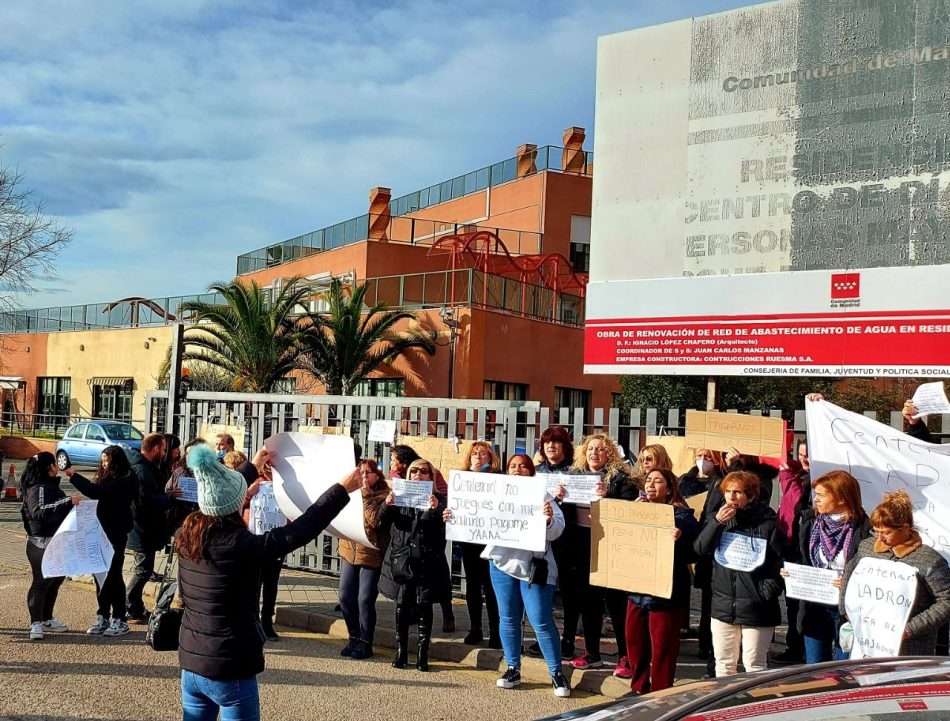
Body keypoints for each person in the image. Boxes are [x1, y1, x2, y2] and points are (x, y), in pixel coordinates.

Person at [177, 443, 360, 720]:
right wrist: (341, 489)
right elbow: (302, 529)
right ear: (237, 504)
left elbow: (221, 491)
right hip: (230, 668)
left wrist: (253, 464)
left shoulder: (187, 535)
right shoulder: (242, 545)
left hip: (191, 665)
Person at [476, 453, 571, 698]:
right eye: (512, 466)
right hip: (501, 564)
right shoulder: (495, 494)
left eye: (523, 466)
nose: (517, 469)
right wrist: (453, 517)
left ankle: (557, 673)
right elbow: (475, 517)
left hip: (534, 568)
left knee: (540, 620)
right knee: (508, 618)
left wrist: (549, 519)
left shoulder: (543, 495)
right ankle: (512, 668)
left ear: (531, 471)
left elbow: (556, 531)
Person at [694, 470, 784, 677]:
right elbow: (700, 549)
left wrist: (764, 592)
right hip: (723, 606)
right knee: (724, 663)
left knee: (754, 664)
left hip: (756, 608)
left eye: (738, 492)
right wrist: (717, 523)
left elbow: (778, 564)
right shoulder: (717, 519)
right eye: (728, 492)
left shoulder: (767, 524)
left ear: (751, 496)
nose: (731, 497)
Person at [841, 490, 950, 656]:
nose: (879, 538)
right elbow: (848, 575)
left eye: (885, 532)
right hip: (867, 644)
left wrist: (909, 630)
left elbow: (946, 602)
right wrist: (846, 611)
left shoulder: (930, 560)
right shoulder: (866, 548)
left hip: (909, 650)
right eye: (876, 531)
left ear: (905, 528)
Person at [569, 433, 639, 676]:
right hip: (582, 546)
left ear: (609, 453)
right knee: (588, 602)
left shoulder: (621, 480)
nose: (594, 453)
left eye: (600, 449)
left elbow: (629, 512)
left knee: (616, 604)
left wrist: (607, 499)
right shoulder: (574, 477)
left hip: (611, 547)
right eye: (590, 449)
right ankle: (592, 654)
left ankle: (625, 656)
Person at [626, 468, 699, 695]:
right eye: (648, 480)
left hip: (666, 594)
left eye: (658, 481)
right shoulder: (636, 509)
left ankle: (660, 694)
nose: (651, 485)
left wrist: (680, 539)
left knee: (663, 650)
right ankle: (638, 688)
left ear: (669, 489)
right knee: (635, 645)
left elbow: (693, 553)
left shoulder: (683, 517)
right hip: (637, 589)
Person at [787, 470, 869, 663]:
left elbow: (870, 569)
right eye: (816, 494)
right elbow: (801, 557)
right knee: (814, 668)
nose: (816, 499)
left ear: (841, 498)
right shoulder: (810, 521)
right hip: (815, 604)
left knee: (846, 666)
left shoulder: (865, 528)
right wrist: (792, 572)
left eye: (822, 495)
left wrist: (850, 581)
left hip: (846, 608)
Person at [379, 458, 451, 671]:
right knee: (402, 605)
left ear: (431, 477)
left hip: (428, 562)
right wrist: (387, 504)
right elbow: (383, 519)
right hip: (403, 560)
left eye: (423, 472)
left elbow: (445, 525)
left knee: (424, 606)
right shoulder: (400, 497)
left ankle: (422, 654)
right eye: (414, 472)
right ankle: (401, 651)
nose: (418, 475)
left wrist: (436, 510)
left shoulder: (439, 499)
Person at [67, 446, 136, 637]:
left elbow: (96, 492)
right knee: (100, 574)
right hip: (99, 531)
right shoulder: (108, 476)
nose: (104, 464)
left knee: (113, 575)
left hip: (115, 533)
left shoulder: (124, 478)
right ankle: (103, 615)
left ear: (117, 461)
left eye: (108, 460)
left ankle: (120, 618)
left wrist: (74, 475)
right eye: (103, 460)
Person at [20, 452, 79, 640]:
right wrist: (68, 501)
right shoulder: (38, 488)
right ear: (49, 467)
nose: (57, 466)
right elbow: (39, 511)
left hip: (56, 542)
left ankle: (46, 618)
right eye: (54, 463)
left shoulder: (48, 486)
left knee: (55, 580)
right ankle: (35, 622)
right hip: (41, 544)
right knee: (41, 582)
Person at [337, 458, 391, 660]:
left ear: (377, 475)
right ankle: (353, 637)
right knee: (345, 597)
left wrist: (365, 492)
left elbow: (375, 520)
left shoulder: (382, 496)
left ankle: (366, 643)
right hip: (349, 551)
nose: (363, 476)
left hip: (371, 554)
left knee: (364, 600)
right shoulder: (350, 492)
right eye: (360, 472)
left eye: (368, 472)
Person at [533, 426, 577, 659]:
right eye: (547, 443)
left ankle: (568, 639)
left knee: (570, 592)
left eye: (556, 442)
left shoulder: (576, 472)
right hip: (542, 540)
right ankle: (544, 639)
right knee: (543, 589)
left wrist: (562, 499)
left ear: (565, 447)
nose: (551, 446)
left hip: (570, 540)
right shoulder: (536, 472)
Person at [677, 447, 724, 666]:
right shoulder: (684, 481)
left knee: (710, 599)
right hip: (687, 538)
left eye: (708, 457)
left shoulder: (721, 483)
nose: (703, 461)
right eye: (700, 456)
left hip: (710, 543)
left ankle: (706, 643)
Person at [126, 432, 173, 622]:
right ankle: (130, 607)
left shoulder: (146, 466)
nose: (164, 453)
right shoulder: (141, 469)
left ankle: (134, 607)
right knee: (143, 570)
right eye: (162, 448)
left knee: (144, 569)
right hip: (142, 528)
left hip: (145, 527)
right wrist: (169, 498)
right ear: (155, 448)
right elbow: (144, 501)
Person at [458, 441, 501, 647]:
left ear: (490, 458)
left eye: (483, 453)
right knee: (473, 586)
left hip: (491, 539)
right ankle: (475, 628)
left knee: (491, 587)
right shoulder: (462, 478)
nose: (478, 456)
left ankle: (495, 631)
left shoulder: (498, 478)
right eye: (475, 453)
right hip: (470, 539)